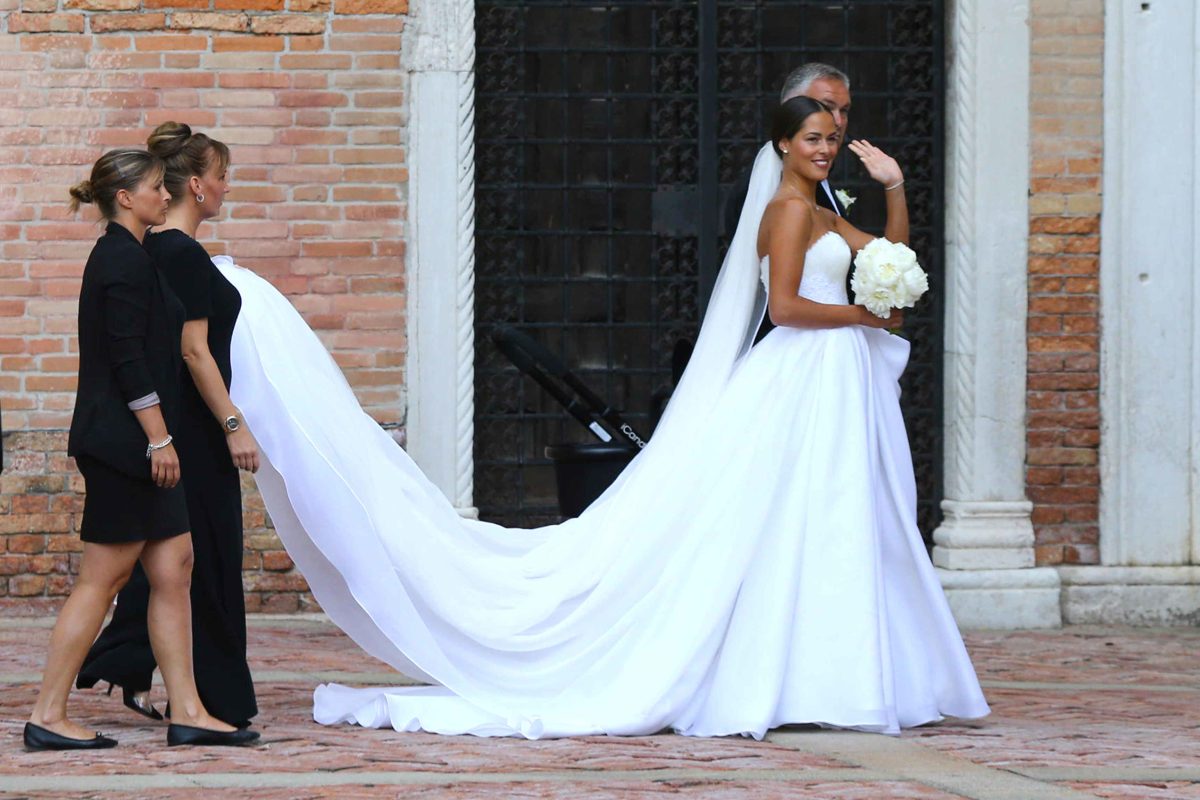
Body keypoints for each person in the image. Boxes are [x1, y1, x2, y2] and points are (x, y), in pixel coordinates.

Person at [209, 96, 989, 739]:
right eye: (813, 137)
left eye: (833, 138)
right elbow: (784, 308)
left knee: (834, 516)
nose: (826, 148)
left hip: (835, 378)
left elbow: (889, 257)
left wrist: (893, 188)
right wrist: (862, 314)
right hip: (802, 371)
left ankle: (831, 673)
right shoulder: (786, 213)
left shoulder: (821, 209)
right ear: (783, 144)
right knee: (786, 513)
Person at [23, 149, 257, 750]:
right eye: (156, 187)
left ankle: (189, 711)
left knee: (175, 567)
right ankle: (48, 715)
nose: (165, 194)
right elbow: (128, 359)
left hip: (140, 442)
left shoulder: (135, 255)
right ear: (126, 197)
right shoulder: (121, 261)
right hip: (125, 445)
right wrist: (159, 437)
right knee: (103, 578)